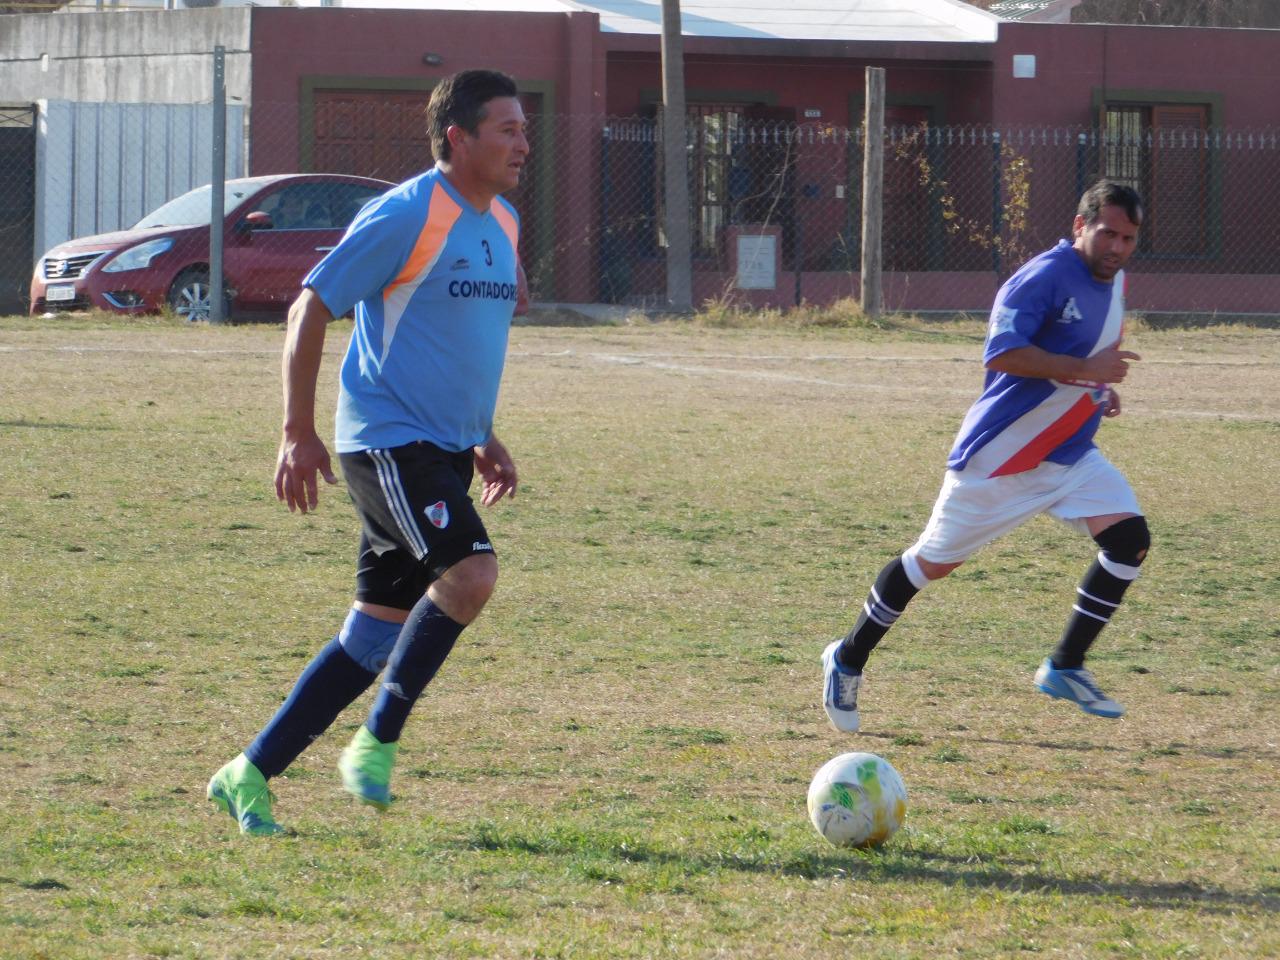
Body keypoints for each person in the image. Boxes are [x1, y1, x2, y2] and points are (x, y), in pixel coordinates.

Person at [207, 69, 530, 835]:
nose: (524, 143)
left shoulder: (505, 223)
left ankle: (247, 771)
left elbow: (450, 342)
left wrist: (483, 438)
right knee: (472, 573)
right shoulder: (407, 213)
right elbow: (309, 306)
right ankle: (376, 743)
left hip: (444, 447)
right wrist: (296, 430)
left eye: (524, 129)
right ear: (458, 138)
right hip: (387, 442)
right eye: (508, 129)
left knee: (372, 634)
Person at [822, 180, 1151, 733]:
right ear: (1079, 226)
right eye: (1107, 233)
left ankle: (1065, 665)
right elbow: (1002, 352)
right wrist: (1084, 373)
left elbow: (1085, 354)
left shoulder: (1113, 281)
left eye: (1129, 237)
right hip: (1002, 457)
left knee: (1129, 542)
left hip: (1069, 457)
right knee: (931, 564)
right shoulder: (1043, 276)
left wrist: (1096, 389)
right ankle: (847, 656)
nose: (1117, 247)